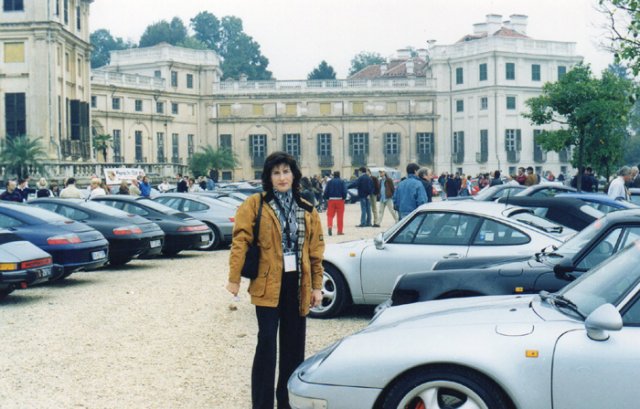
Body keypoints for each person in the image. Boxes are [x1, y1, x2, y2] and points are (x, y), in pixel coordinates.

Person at [226, 151, 324, 409]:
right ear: (269, 177)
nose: (282, 177)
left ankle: (287, 403)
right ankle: (262, 404)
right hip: (268, 283)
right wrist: (234, 278)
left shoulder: (307, 208)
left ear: (294, 174)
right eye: (276, 172)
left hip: (298, 285)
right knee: (267, 347)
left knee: (294, 349)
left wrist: (316, 286)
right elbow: (240, 240)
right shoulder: (255, 204)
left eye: (286, 171)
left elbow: (315, 253)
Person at [323, 170, 347, 236]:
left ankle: (330, 226)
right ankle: (339, 231)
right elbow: (345, 191)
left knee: (330, 215)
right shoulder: (342, 182)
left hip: (331, 200)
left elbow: (326, 191)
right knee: (340, 216)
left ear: (333, 175)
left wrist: (327, 198)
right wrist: (344, 198)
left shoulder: (329, 182)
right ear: (339, 175)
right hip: (340, 200)